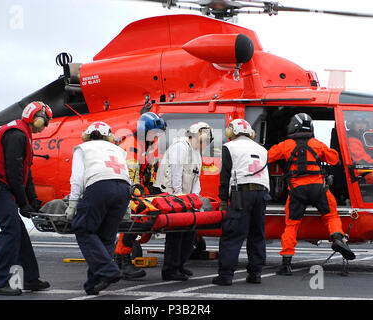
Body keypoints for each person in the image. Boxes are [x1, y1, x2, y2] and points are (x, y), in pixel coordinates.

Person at [0, 101, 52, 296]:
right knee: (11, 229)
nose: (45, 126)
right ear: (36, 119)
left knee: (18, 231)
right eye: (45, 121)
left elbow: (25, 171)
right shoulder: (17, 136)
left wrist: (32, 199)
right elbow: (14, 173)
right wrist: (23, 203)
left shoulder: (22, 134)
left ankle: (29, 279)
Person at [268, 113, 355, 276]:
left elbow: (267, 157)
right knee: (331, 216)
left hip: (296, 190)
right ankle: (337, 238)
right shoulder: (317, 144)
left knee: (291, 225)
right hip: (318, 188)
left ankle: (286, 264)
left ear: (293, 126)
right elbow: (334, 159)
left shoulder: (285, 145)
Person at [65, 121, 131, 295]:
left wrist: (73, 203)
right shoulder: (119, 150)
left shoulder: (83, 148)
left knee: (83, 228)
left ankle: (109, 271)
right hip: (123, 190)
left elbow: (77, 178)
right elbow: (127, 176)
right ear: (108, 136)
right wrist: (128, 208)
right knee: (106, 237)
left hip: (99, 186)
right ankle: (94, 283)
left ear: (88, 135)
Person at [152, 121, 213, 281]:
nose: (204, 144)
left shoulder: (195, 151)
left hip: (185, 198)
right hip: (172, 195)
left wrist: (194, 200)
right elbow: (176, 173)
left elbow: (196, 178)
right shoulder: (181, 146)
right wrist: (179, 196)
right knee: (176, 234)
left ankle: (179, 265)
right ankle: (170, 270)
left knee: (189, 232)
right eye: (203, 141)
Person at [212, 119, 270, 286]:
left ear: (232, 132)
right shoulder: (262, 149)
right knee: (257, 234)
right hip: (262, 193)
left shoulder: (229, 147)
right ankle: (255, 274)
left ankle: (226, 275)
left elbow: (225, 175)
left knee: (232, 234)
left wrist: (223, 199)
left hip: (242, 193)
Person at [115, 112, 166, 280]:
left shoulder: (146, 145)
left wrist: (153, 189)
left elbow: (148, 172)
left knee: (138, 222)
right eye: (154, 133)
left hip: (136, 191)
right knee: (131, 224)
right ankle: (122, 261)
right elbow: (130, 176)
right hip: (126, 191)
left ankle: (120, 261)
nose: (157, 137)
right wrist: (140, 194)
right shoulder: (132, 146)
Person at [346, 113, 373, 184]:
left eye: (364, 123)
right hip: (364, 171)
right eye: (358, 122)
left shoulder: (368, 137)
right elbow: (362, 161)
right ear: (351, 124)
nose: (362, 126)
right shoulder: (352, 139)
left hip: (372, 168)